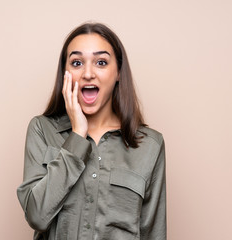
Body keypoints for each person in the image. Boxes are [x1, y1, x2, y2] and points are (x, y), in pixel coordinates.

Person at [17, 22, 166, 240]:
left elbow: (153, 233)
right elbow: (37, 216)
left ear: (118, 73)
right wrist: (77, 135)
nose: (88, 73)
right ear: (65, 73)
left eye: (101, 62)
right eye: (77, 63)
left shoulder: (150, 145)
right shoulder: (42, 129)